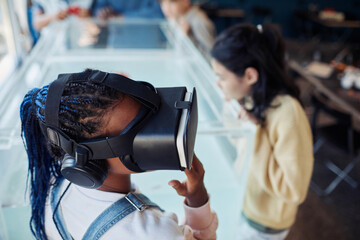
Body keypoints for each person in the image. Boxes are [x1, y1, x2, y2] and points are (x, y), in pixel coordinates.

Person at [20, 69, 218, 240]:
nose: (155, 128)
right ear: (89, 159)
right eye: (136, 130)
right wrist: (197, 198)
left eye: (146, 112)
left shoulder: (52, 185)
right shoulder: (154, 234)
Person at [210, 24, 314, 240]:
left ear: (249, 76)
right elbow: (238, 140)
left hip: (264, 223)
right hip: (246, 203)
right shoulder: (251, 97)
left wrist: (256, 132)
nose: (217, 84)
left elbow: (294, 189)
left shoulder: (288, 112)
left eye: (222, 77)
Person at [92, 0, 164, 19]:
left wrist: (122, 17)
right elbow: (98, 8)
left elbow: (159, 12)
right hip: (117, 39)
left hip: (150, 38)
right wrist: (101, 13)